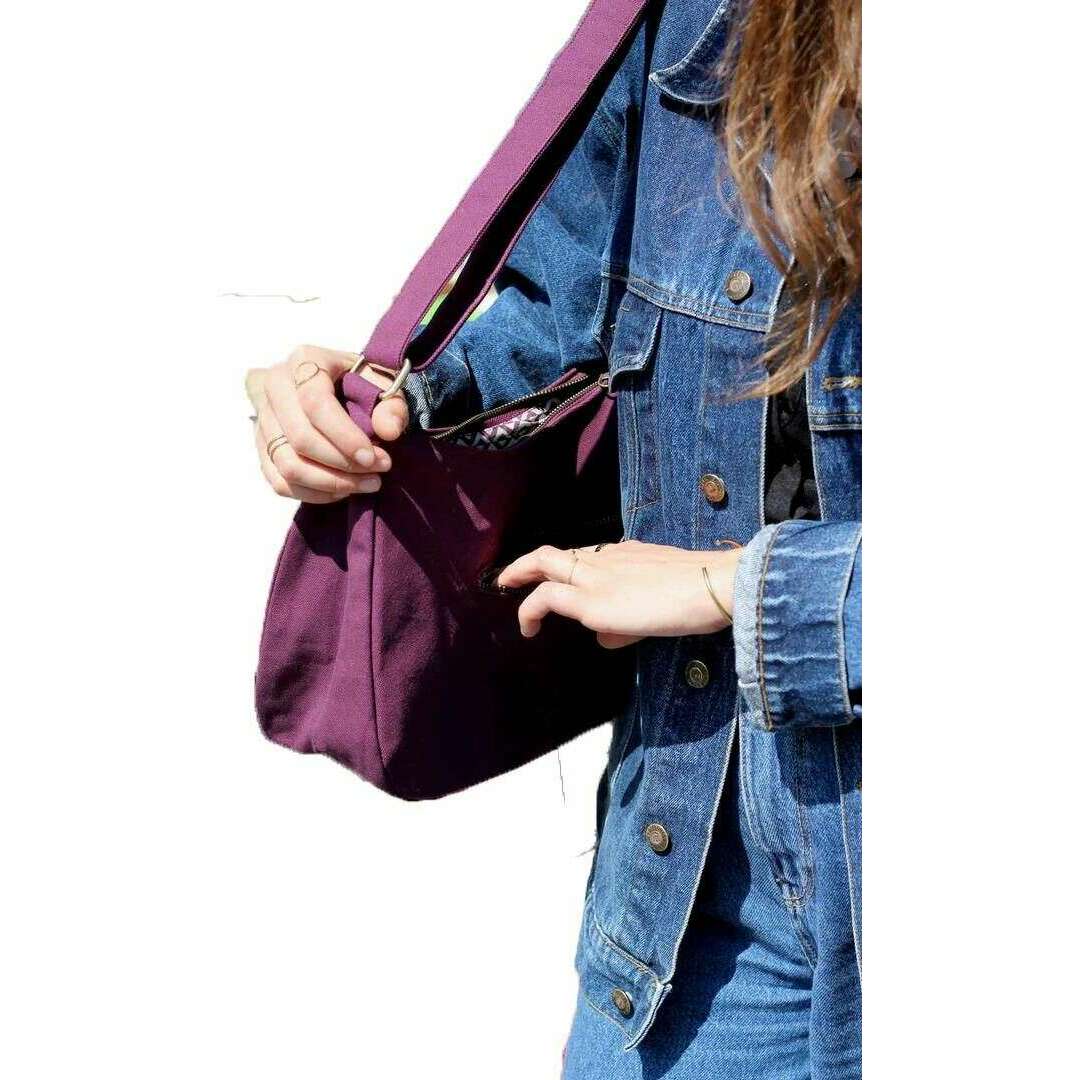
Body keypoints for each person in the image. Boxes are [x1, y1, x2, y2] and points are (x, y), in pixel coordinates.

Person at [245, 0, 861, 1074]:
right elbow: (557, 313)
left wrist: (736, 586)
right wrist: (381, 410)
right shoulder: (694, 24)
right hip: (696, 886)